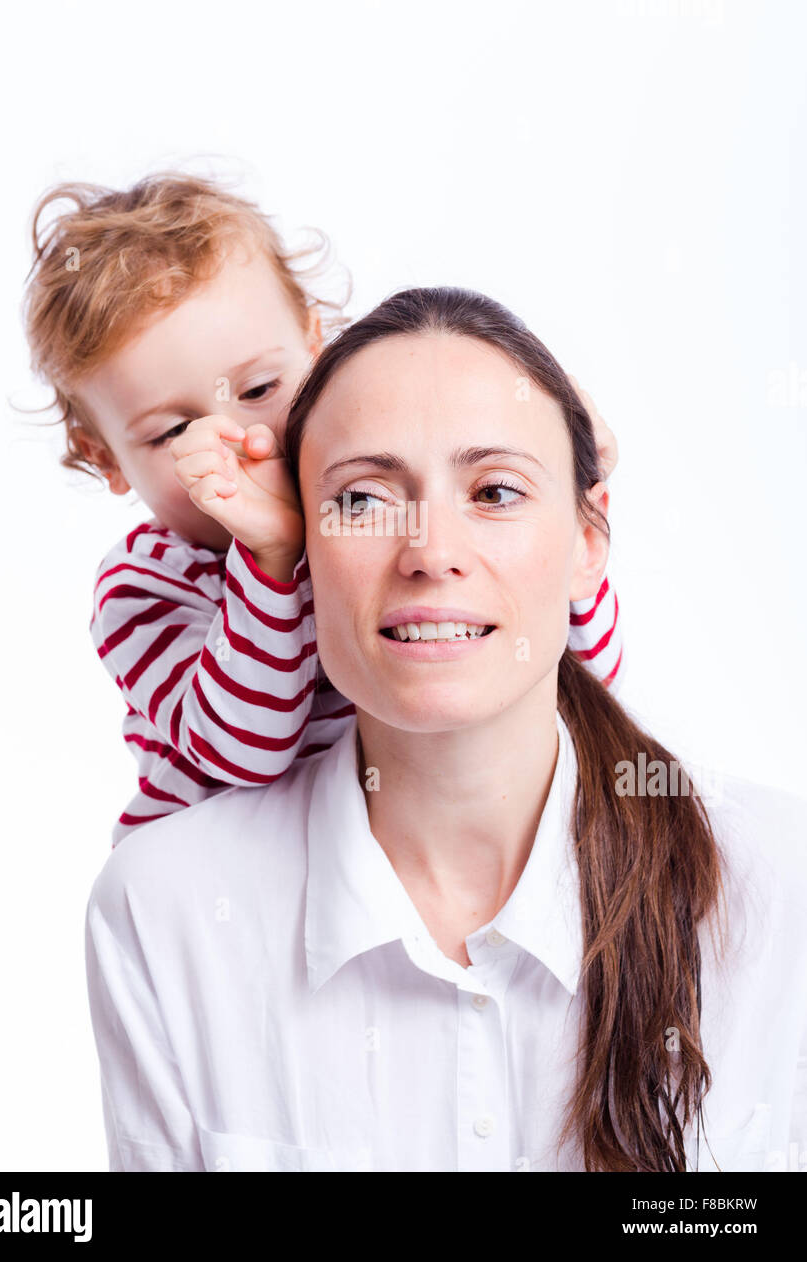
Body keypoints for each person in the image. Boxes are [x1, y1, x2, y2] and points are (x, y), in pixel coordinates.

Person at [85, 286, 805, 1174]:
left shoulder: (780, 883)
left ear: (589, 541)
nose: (430, 550)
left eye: (496, 491)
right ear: (300, 551)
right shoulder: (161, 910)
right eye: (361, 501)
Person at [23, 174, 622, 844]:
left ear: (318, 348)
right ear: (103, 457)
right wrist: (272, 560)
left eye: (260, 388)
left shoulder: (382, 514)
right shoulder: (141, 589)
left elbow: (581, 684)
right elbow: (243, 752)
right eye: (171, 433)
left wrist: (567, 484)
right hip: (232, 883)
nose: (238, 442)